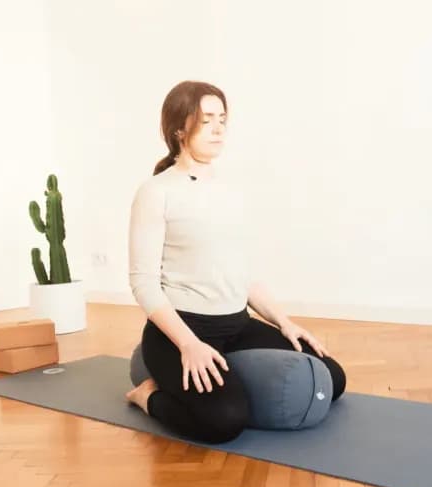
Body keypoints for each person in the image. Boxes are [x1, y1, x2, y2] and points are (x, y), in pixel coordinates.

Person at [125, 80, 346, 444]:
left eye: (222, 119)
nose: (218, 129)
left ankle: (223, 384)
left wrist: (285, 323)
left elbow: (243, 277)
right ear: (179, 128)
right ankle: (147, 395)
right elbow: (143, 283)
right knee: (225, 421)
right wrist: (189, 345)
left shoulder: (229, 191)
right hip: (181, 331)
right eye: (206, 120)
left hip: (236, 325)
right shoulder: (156, 192)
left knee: (332, 379)